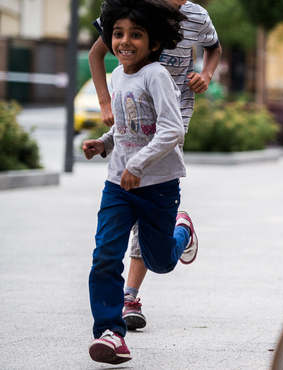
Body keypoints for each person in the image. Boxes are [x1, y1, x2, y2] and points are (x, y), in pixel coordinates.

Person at [88, 0, 220, 331]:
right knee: (105, 254)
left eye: (135, 35)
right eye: (118, 34)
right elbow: (127, 122)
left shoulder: (158, 74)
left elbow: (170, 130)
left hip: (159, 170)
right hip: (119, 181)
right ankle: (110, 328)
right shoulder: (120, 71)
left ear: (154, 41)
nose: (123, 41)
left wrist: (205, 74)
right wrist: (105, 142)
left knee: (160, 260)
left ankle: (181, 230)